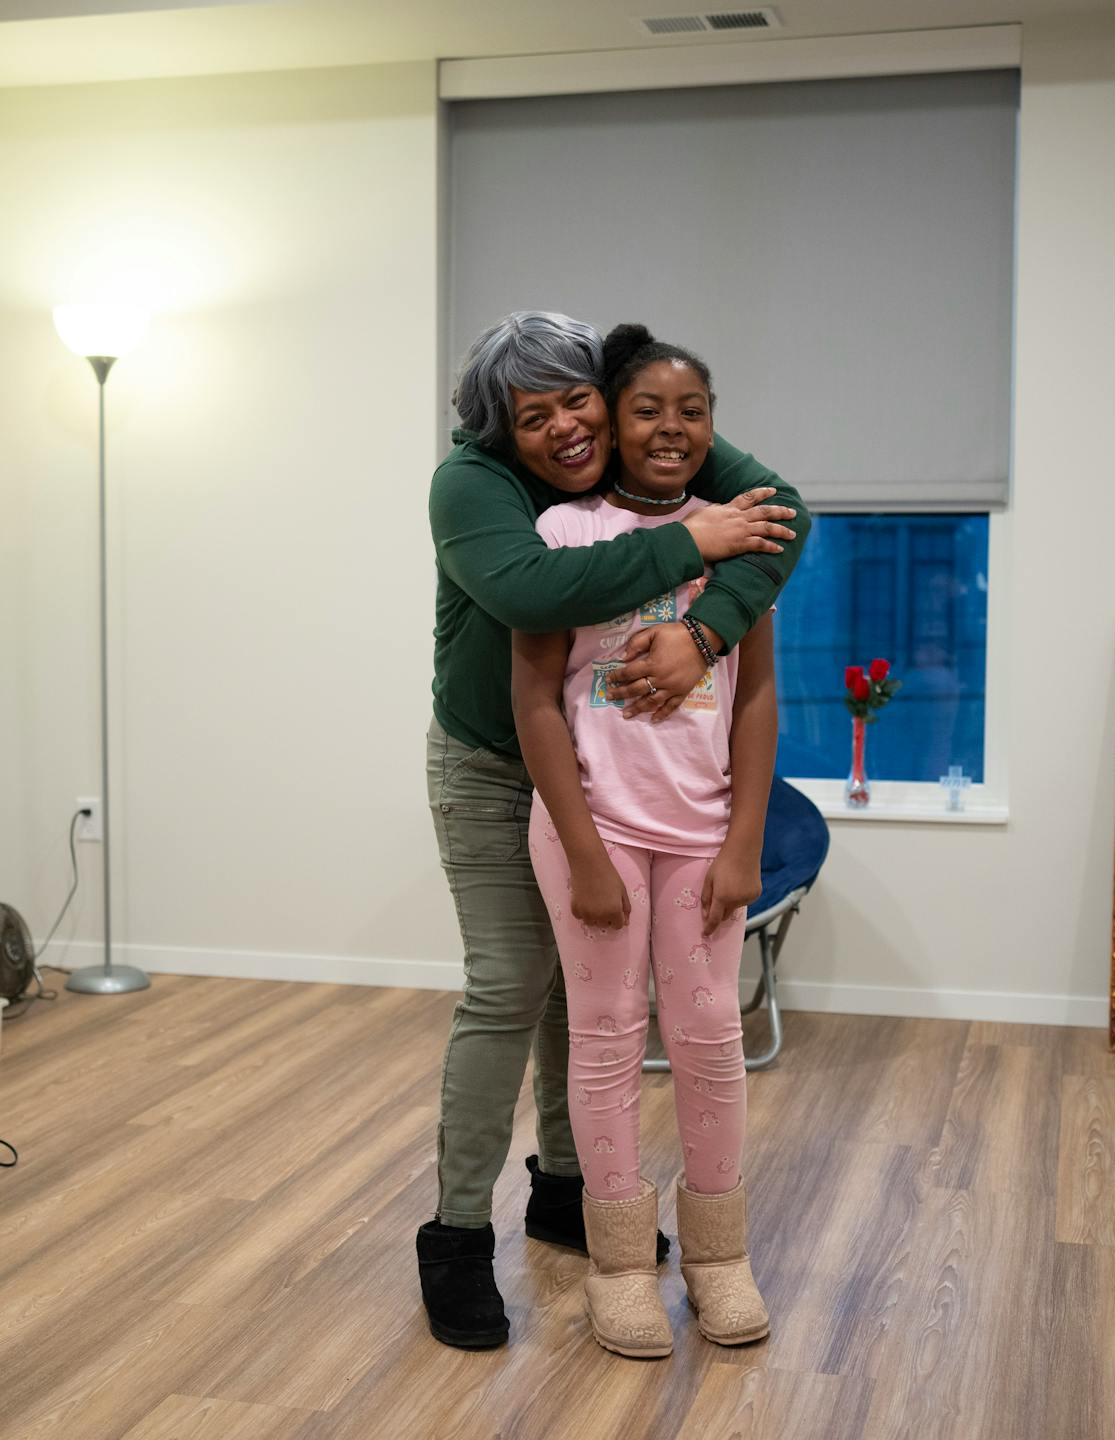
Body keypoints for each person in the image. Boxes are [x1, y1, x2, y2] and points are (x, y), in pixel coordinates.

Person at [420, 311, 808, 1349]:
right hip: (502, 768)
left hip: (669, 809)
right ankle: (459, 1237)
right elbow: (531, 598)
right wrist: (698, 545)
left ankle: (577, 1202)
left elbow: (781, 523)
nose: (564, 427)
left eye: (576, 399)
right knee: (515, 991)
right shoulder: (488, 490)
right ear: (501, 427)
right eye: (531, 414)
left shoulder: (669, 447)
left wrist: (699, 626)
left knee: (643, 1025)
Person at [512, 324, 772, 1359]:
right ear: (611, 425)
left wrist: (744, 840)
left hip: (705, 833)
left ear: (713, 427)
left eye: (692, 411)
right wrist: (580, 851)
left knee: (710, 1043)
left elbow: (757, 701)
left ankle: (718, 1255)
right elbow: (535, 700)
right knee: (608, 1037)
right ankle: (621, 1265)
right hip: (597, 829)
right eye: (647, 410)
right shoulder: (565, 531)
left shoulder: (741, 529)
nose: (670, 428)